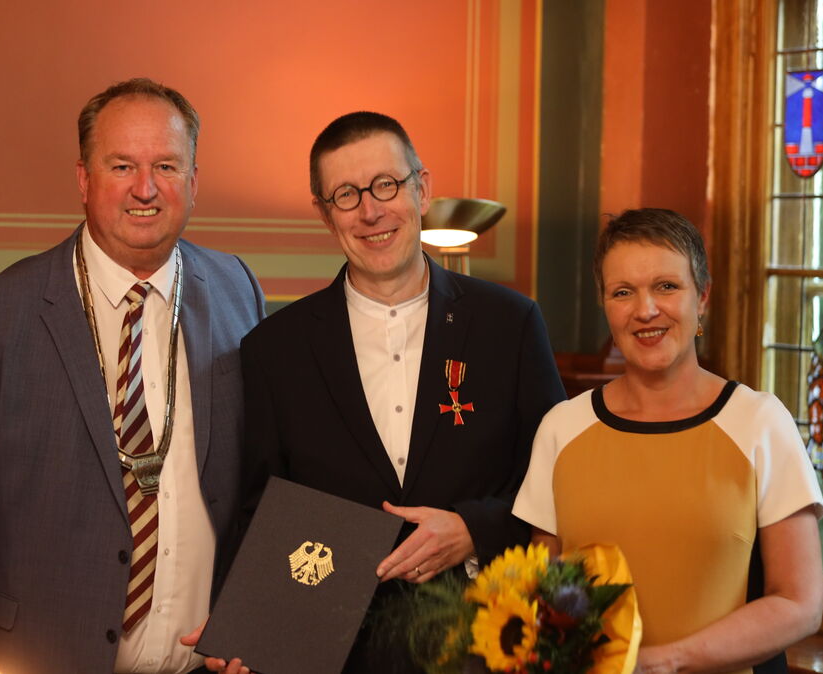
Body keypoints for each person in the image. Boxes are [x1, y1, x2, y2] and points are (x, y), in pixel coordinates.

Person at [0, 78, 266, 674]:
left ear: (194, 181)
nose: (145, 189)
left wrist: (253, 624)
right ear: (83, 178)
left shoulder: (237, 290)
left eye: (166, 166)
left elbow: (261, 485)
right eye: (122, 165)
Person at [193, 111, 567, 674]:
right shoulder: (274, 349)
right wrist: (245, 627)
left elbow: (557, 481)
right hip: (334, 654)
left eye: (386, 185)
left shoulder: (509, 325)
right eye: (346, 194)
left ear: (422, 188)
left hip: (484, 642)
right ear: (324, 213)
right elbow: (260, 509)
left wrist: (473, 530)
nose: (371, 211)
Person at [513, 208, 823, 674]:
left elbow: (800, 603)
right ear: (605, 305)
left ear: (702, 297)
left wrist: (663, 663)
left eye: (666, 286)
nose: (645, 310)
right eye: (623, 292)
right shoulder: (561, 428)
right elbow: (540, 601)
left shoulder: (759, 423)